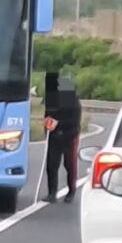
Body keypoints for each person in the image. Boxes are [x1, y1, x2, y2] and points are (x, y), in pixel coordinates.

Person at [44, 70, 81, 204]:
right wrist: (47, 125)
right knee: (51, 164)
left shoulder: (73, 102)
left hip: (70, 135)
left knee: (69, 164)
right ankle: (52, 193)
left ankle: (71, 191)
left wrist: (58, 123)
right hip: (54, 135)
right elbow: (47, 115)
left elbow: (74, 121)